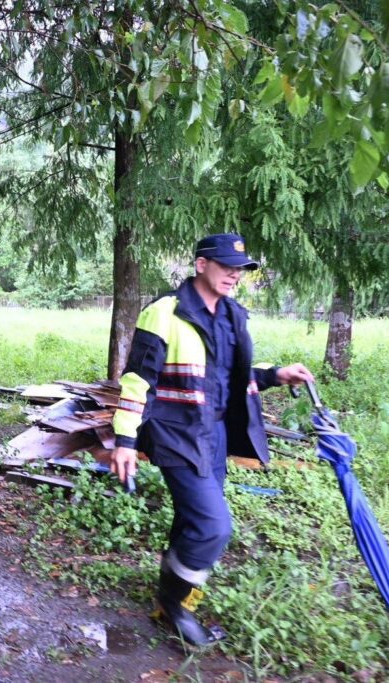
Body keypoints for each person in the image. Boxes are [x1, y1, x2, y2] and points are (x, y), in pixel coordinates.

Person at [110, 233, 314, 646]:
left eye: (240, 269)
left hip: (215, 435)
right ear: (201, 265)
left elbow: (229, 379)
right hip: (175, 434)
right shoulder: (165, 313)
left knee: (191, 520)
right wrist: (125, 441)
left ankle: (168, 604)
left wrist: (276, 375)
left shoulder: (232, 315)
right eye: (226, 266)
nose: (235, 275)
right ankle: (176, 605)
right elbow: (135, 381)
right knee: (213, 526)